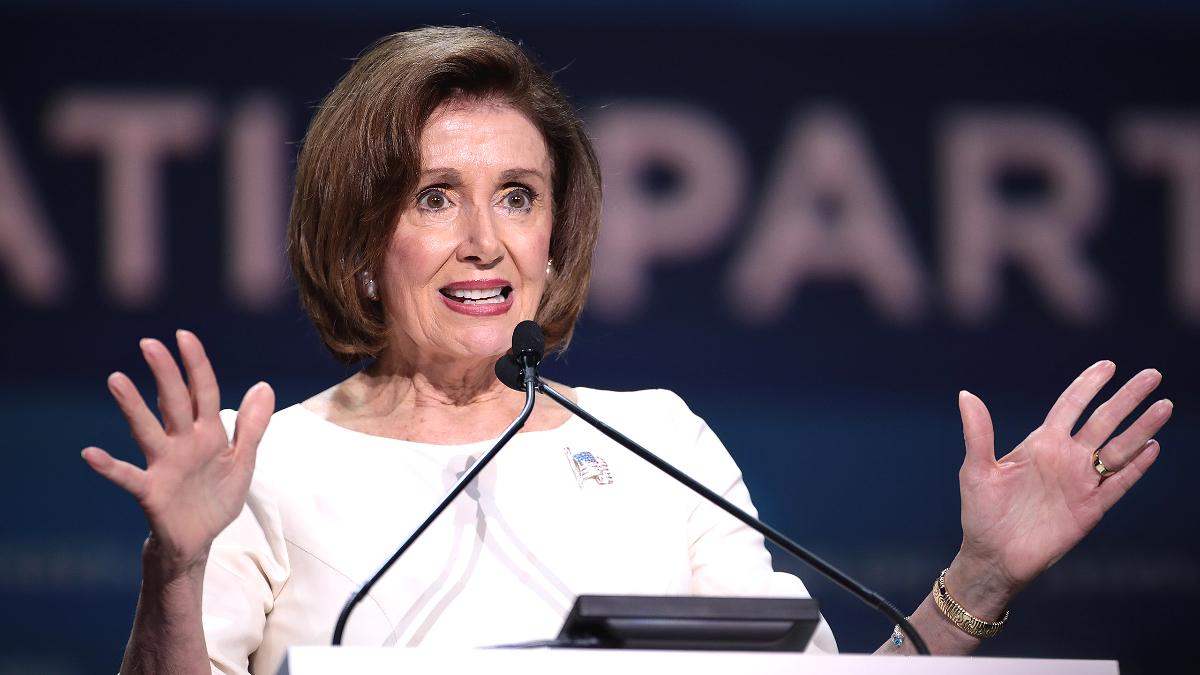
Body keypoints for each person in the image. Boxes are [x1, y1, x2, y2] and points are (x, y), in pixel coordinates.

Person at [81, 26, 1173, 675]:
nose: (485, 242)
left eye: (518, 196)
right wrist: (174, 570)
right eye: (434, 198)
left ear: (557, 236)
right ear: (362, 243)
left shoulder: (656, 436)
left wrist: (979, 578)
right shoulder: (259, 461)